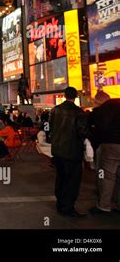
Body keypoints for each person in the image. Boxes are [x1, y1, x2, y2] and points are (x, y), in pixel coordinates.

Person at [49, 87, 89, 217]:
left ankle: (60, 203)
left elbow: (51, 128)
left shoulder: (55, 110)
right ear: (76, 96)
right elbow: (82, 132)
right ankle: (68, 207)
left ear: (64, 95)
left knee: (60, 177)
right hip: (72, 151)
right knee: (72, 180)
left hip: (58, 150)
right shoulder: (79, 112)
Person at [88, 91, 120, 215]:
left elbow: (101, 129)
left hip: (111, 145)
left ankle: (104, 205)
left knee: (107, 177)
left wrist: (96, 145)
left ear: (98, 101)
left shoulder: (104, 109)